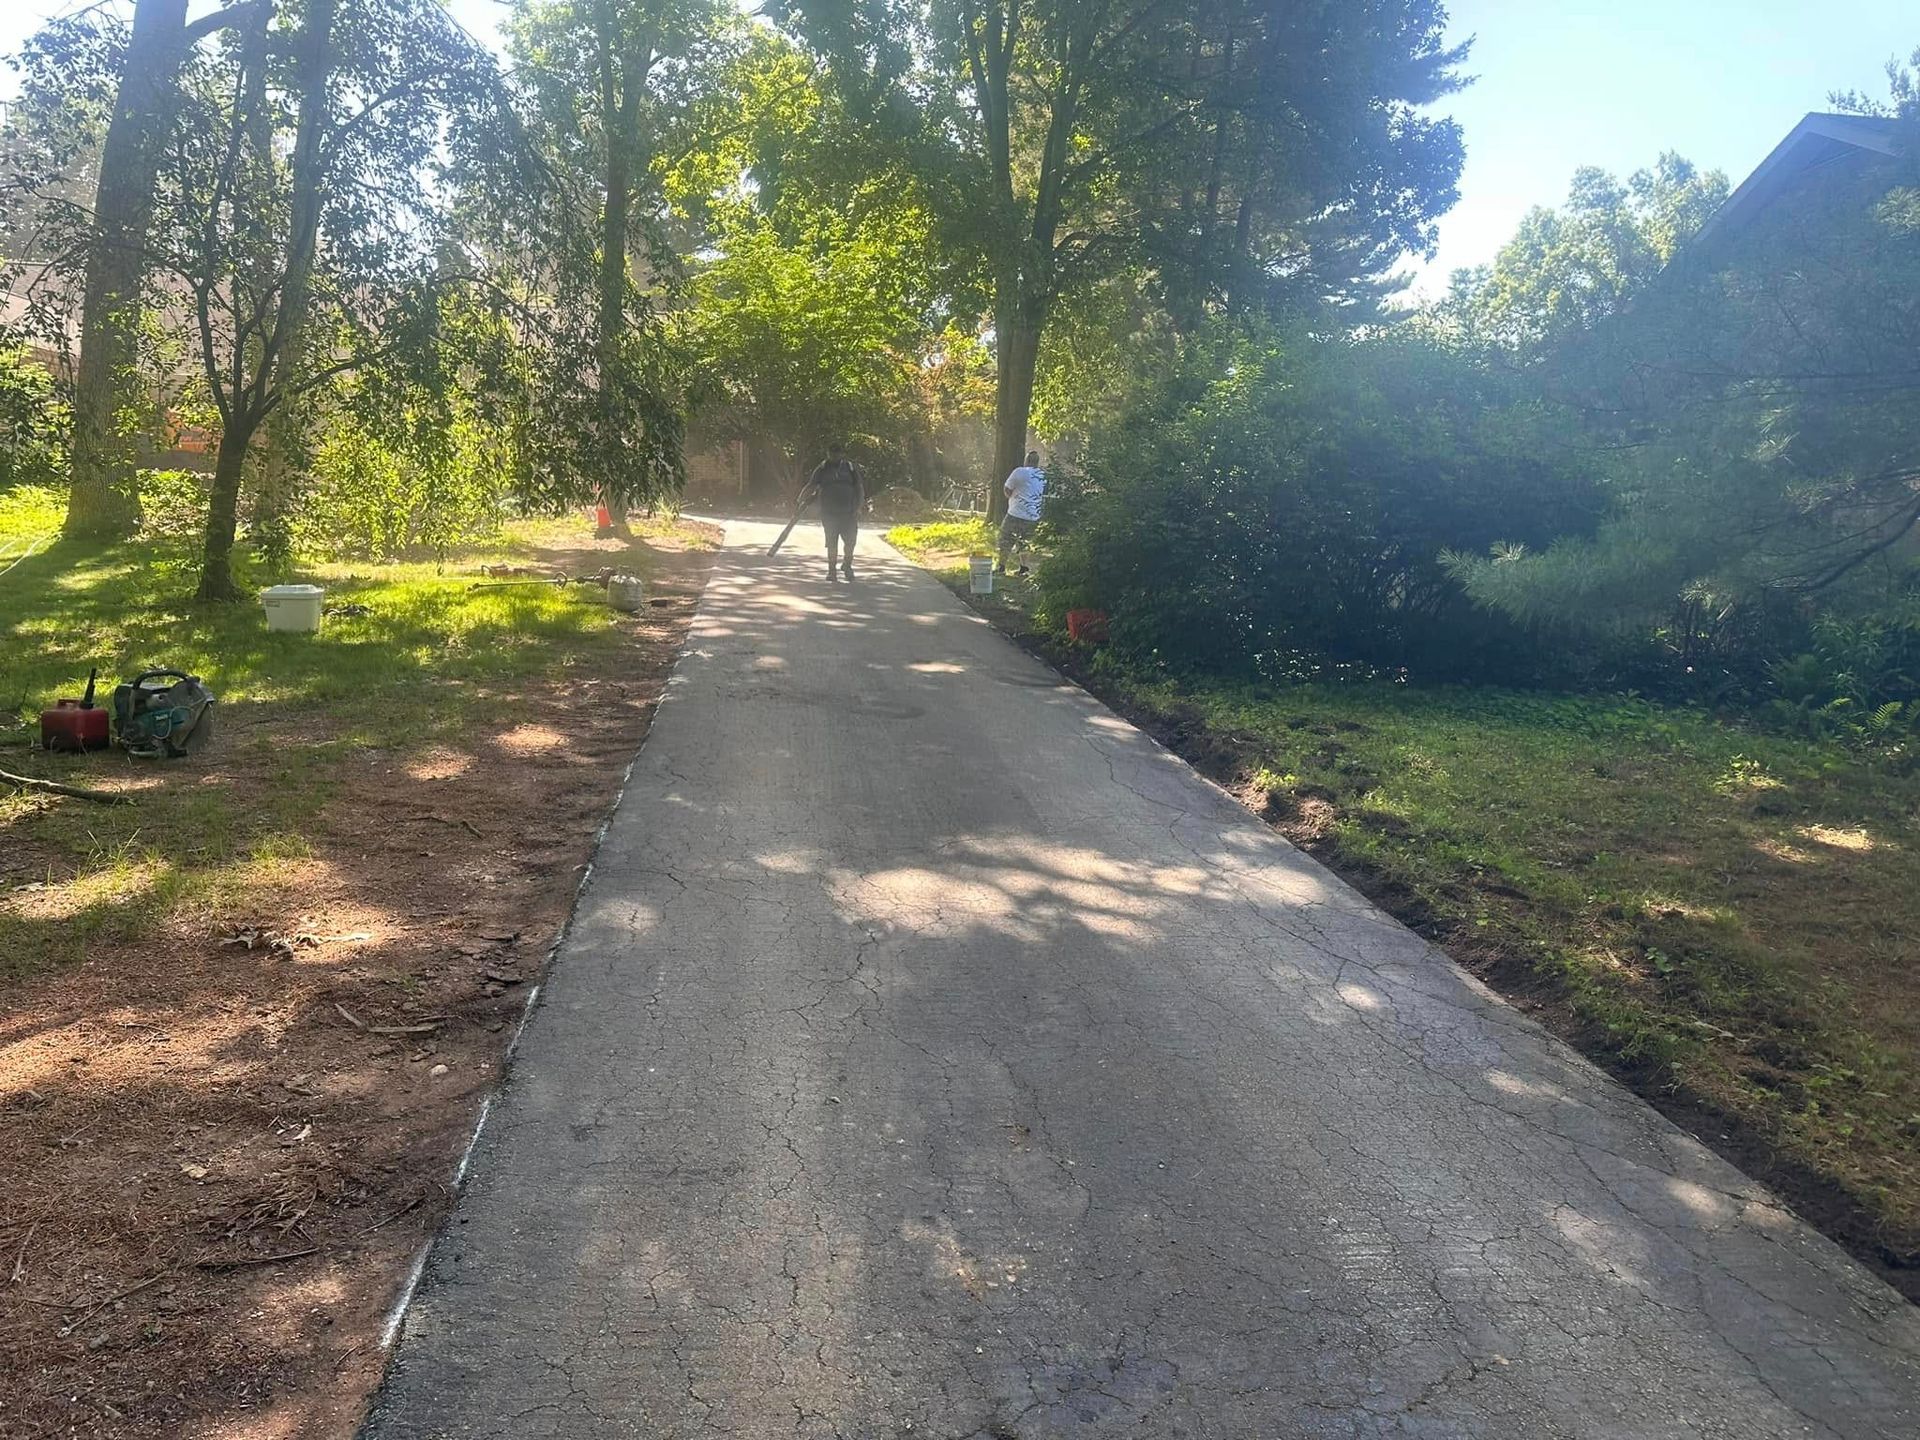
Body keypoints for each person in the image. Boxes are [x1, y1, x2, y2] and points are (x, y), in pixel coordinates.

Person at [803, 442, 866, 581]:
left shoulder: (850, 468)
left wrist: (859, 506)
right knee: (832, 542)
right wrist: (800, 499)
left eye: (837, 453)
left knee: (851, 542)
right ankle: (832, 571)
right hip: (829, 513)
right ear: (828, 454)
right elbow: (811, 485)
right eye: (831, 453)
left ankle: (847, 565)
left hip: (849, 513)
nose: (834, 456)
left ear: (842, 454)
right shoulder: (822, 468)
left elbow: (859, 487)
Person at [998, 450, 1045, 576]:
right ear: (1037, 462)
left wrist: (1011, 496)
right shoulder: (1042, 475)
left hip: (1016, 512)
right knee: (1025, 541)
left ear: (1027, 460)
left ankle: (1001, 567)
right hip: (1033, 515)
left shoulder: (1019, 471)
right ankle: (1024, 568)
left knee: (1006, 538)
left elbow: (1007, 489)